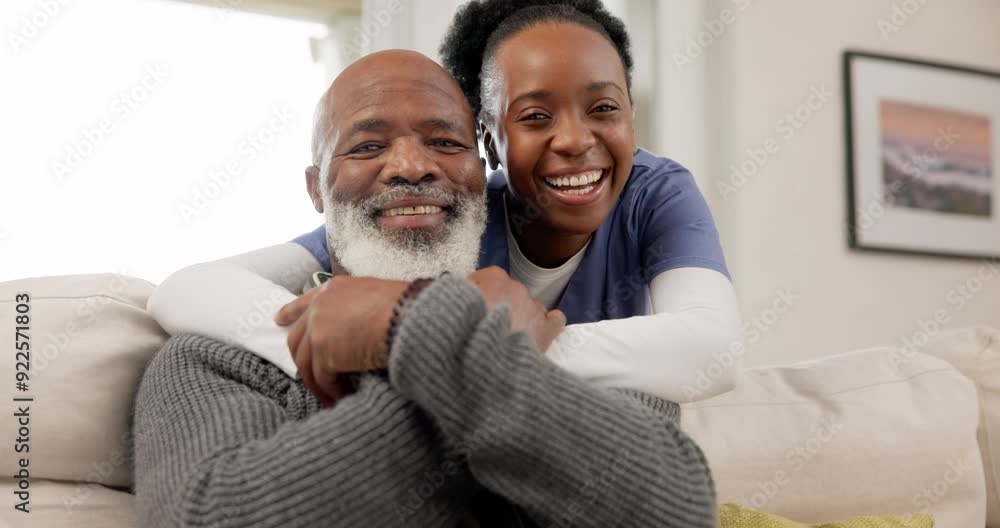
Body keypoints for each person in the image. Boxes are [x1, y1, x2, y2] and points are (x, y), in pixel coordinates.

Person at [131, 49, 717, 528]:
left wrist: (421, 328)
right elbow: (209, 518)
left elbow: (675, 511)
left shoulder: (565, 335)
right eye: (367, 146)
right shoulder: (212, 356)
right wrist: (457, 345)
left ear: (480, 175)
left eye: (445, 142)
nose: (412, 166)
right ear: (316, 190)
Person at [147, 0, 742, 403]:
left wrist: (463, 344)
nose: (575, 139)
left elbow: (713, 349)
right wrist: (370, 344)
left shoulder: (653, 192)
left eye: (605, 108)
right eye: (534, 116)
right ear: (489, 141)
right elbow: (187, 288)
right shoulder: (446, 211)